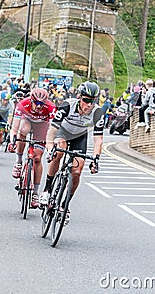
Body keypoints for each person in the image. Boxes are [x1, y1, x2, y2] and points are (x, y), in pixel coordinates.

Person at [39, 81, 104, 223]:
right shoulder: (68, 105)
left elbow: (98, 139)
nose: (89, 105)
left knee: (77, 171)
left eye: (92, 101)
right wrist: (50, 148)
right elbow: (52, 130)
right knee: (58, 153)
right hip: (63, 132)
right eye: (86, 100)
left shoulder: (97, 112)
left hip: (80, 136)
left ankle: (64, 206)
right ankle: (47, 190)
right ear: (80, 97)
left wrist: (95, 159)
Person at [10, 88, 56, 208]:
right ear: (31, 100)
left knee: (37, 158)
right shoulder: (22, 104)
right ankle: (19, 162)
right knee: (23, 130)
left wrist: (50, 146)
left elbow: (53, 129)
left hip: (42, 125)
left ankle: (35, 193)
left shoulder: (50, 107)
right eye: (36, 103)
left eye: (42, 104)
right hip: (27, 121)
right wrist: (12, 141)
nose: (39, 106)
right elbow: (14, 127)